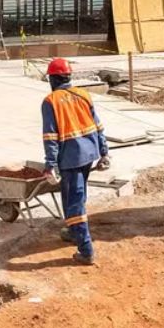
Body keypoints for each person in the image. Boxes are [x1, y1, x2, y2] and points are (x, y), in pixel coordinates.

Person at [40, 57, 110, 266]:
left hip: (70, 159)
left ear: (53, 78)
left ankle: (86, 249)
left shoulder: (50, 101)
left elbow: (50, 137)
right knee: (79, 196)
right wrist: (104, 152)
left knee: (73, 204)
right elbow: (98, 126)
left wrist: (50, 165)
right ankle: (74, 232)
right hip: (89, 154)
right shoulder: (84, 95)